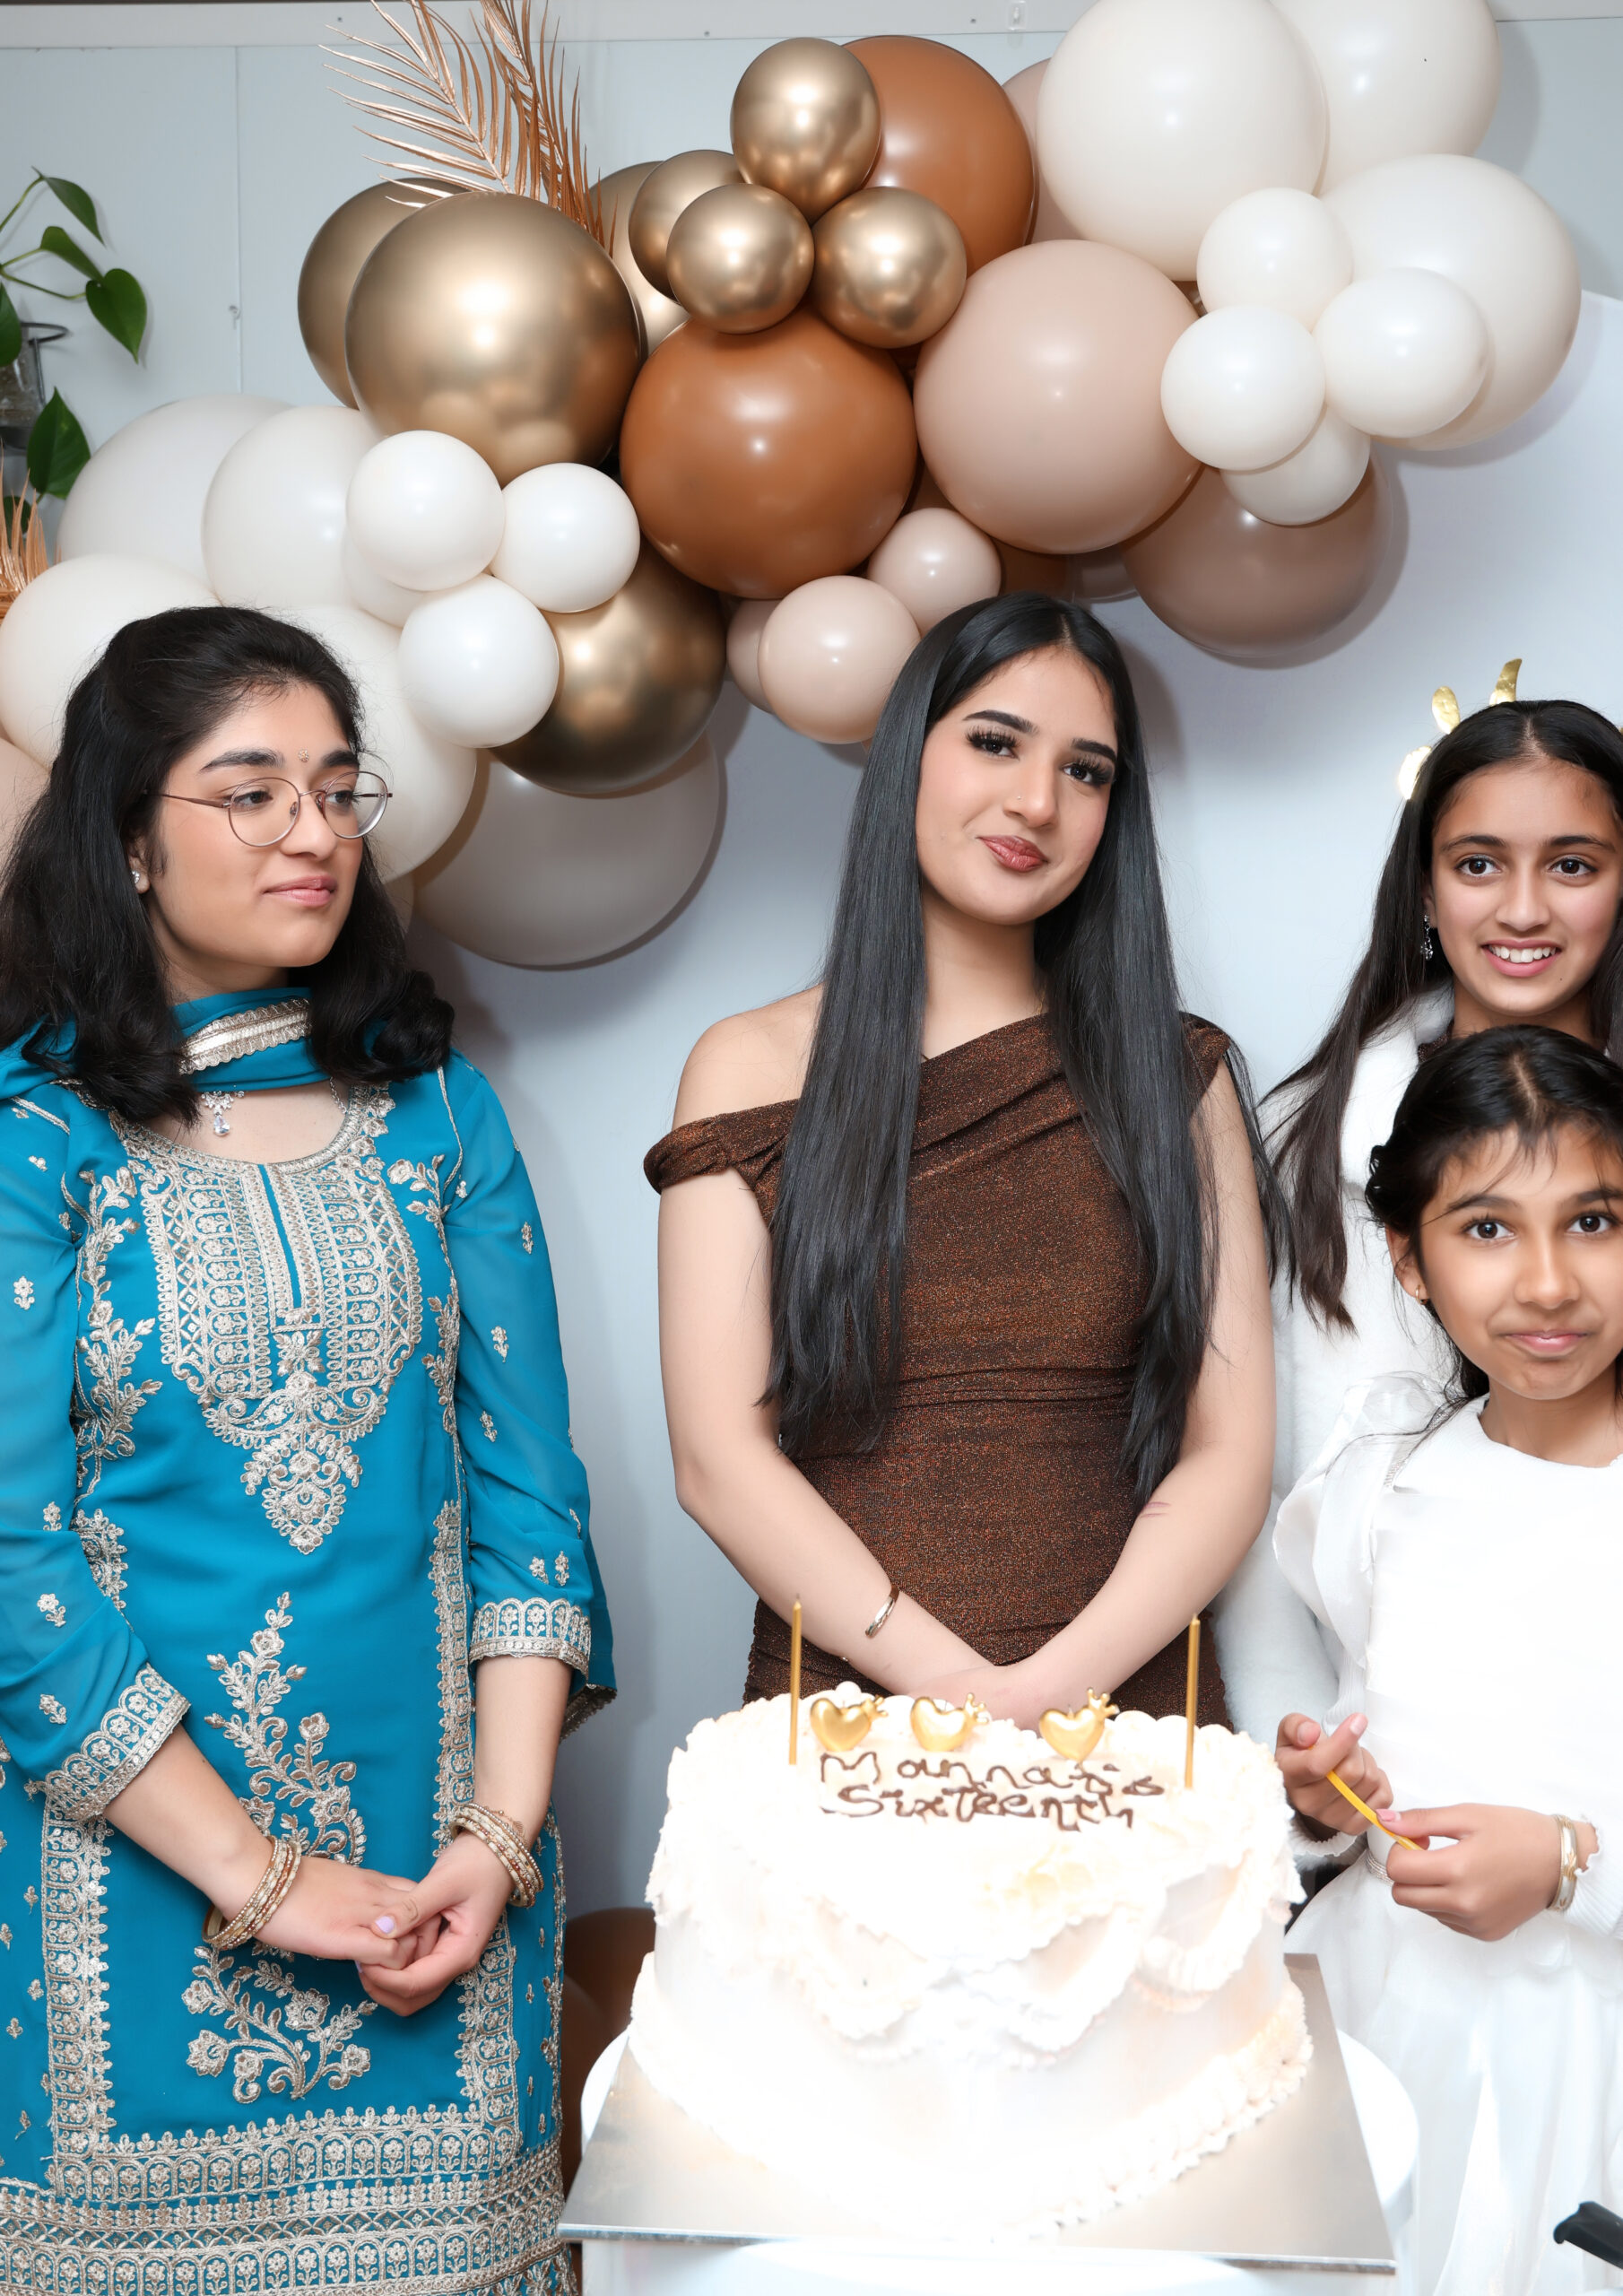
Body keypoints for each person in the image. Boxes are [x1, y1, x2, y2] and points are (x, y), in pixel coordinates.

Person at [0, 606, 612, 2295]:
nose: (313, 833)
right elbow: (9, 1554)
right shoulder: (37, 1139)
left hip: (438, 1889)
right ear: (129, 839)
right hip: (126, 1886)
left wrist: (496, 1845)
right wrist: (258, 1881)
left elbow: (530, 1504)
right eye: (250, 792)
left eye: (339, 790)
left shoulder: (440, 1114)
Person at [647, 592, 1277, 1726]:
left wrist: (1048, 1693)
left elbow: (1228, 1456)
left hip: (1125, 1723)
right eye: (994, 742)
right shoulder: (745, 1066)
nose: (1036, 800)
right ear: (908, 755)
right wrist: (953, 1691)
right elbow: (717, 1459)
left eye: (1085, 771)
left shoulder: (1179, 1076)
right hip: (843, 1722)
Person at [1274, 1024, 1623, 2296]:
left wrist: (1572, 1863)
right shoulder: (1380, 1484)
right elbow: (1386, 1716)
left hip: (1588, 2053)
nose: (1547, 1283)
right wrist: (1333, 1803)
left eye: (1592, 1221)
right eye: (1486, 1228)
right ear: (1408, 1259)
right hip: (1390, 2012)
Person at [1216, 691, 1623, 1744]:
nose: (1522, 910)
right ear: (1425, 891)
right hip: (1377, 1751)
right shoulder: (1310, 1141)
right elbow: (1259, 1486)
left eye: (1572, 865)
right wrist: (1299, 1763)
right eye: (1478, 863)